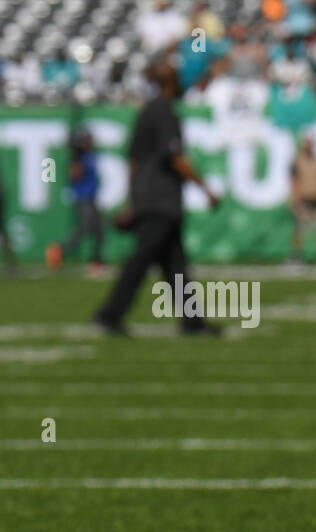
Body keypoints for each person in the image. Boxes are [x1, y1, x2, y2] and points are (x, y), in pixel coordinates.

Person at [90, 59, 221, 335]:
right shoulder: (164, 113)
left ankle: (192, 322)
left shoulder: (146, 111)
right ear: (172, 82)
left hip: (149, 197)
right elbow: (175, 157)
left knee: (175, 264)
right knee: (141, 259)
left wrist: (133, 198)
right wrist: (205, 188)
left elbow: (134, 162)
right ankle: (109, 314)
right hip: (161, 199)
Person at [46, 127, 105, 273]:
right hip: (82, 197)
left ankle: (96, 259)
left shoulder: (89, 154)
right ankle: (59, 250)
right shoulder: (78, 157)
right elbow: (74, 175)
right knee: (84, 227)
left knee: (99, 229)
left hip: (91, 196)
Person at [288, 133, 316, 268]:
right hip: (304, 199)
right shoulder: (298, 161)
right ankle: (296, 256)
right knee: (300, 230)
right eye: (308, 143)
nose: (311, 147)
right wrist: (295, 199)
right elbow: (294, 182)